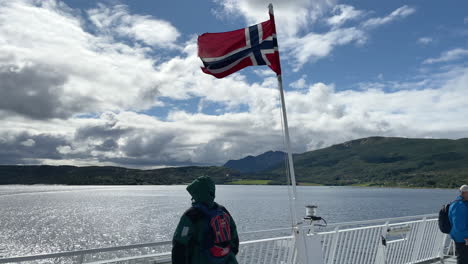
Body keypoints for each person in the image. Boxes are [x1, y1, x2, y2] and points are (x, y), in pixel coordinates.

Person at [172, 176, 239, 264]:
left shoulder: (192, 214)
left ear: (197, 193)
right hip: (227, 259)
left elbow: (179, 244)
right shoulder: (222, 210)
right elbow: (234, 237)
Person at [449, 185, 468, 264]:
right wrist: (466, 237)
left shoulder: (460, 203)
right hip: (463, 239)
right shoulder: (459, 205)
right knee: (463, 260)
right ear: (464, 193)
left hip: (462, 237)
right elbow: (459, 225)